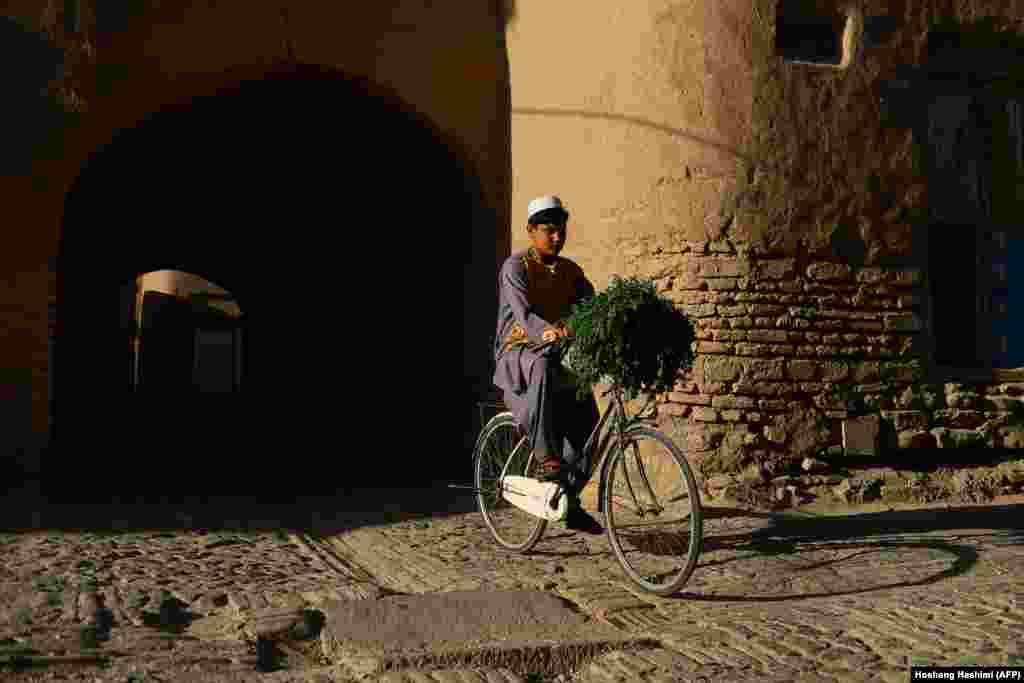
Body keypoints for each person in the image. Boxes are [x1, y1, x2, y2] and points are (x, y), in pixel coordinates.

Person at [492, 196, 603, 534]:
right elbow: (523, 315)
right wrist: (549, 331)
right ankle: (546, 459)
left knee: (590, 427)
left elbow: (592, 305)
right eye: (549, 231)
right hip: (518, 352)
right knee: (541, 368)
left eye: (561, 231)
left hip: (559, 352)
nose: (557, 238)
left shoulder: (571, 272)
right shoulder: (515, 268)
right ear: (531, 231)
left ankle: (567, 500)